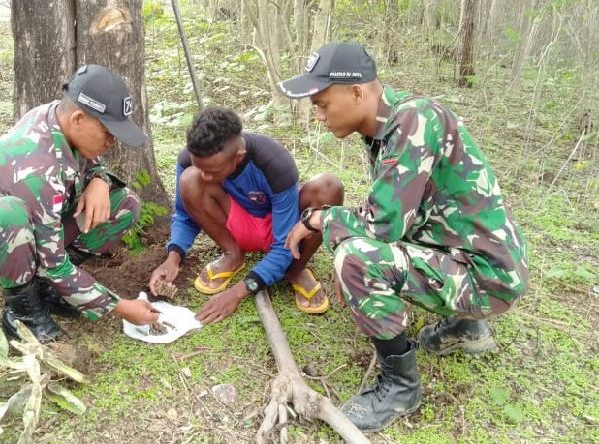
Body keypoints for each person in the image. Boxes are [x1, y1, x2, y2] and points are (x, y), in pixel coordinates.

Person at [279, 42, 529, 431]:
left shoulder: (413, 121)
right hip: (478, 257)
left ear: (357, 93)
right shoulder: (391, 121)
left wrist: (318, 220)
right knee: (364, 242)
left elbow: (380, 225)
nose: (319, 117)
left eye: (323, 104)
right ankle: (466, 325)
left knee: (355, 256)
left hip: (488, 275)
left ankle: (400, 387)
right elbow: (405, 213)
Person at [0, 64, 160, 343]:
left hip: (32, 232)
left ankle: (46, 288)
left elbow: (88, 159)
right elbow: (53, 262)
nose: (112, 142)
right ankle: (23, 312)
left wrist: (99, 179)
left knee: (124, 204)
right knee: (9, 216)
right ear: (78, 119)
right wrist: (121, 308)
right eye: (108, 132)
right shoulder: (37, 167)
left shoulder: (59, 117)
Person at [148, 107, 344, 324]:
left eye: (212, 171)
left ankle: (295, 269)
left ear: (238, 157)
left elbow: (283, 245)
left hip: (287, 230)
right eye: (199, 166)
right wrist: (173, 258)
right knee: (189, 180)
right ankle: (233, 254)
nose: (205, 176)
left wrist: (236, 294)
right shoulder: (190, 159)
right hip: (238, 224)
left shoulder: (274, 162)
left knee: (329, 186)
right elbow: (184, 215)